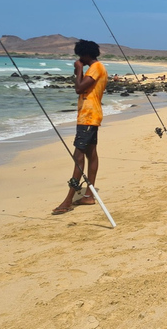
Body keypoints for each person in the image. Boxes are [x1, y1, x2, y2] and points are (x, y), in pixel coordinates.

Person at [52, 40, 108, 215]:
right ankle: (89, 195)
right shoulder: (96, 68)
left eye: (80, 55)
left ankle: (68, 200)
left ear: (86, 54)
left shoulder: (96, 68)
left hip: (88, 117)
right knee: (91, 154)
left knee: (78, 157)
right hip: (89, 116)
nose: (79, 59)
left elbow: (79, 88)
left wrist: (78, 70)